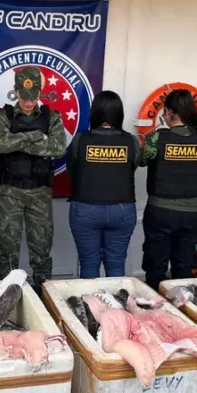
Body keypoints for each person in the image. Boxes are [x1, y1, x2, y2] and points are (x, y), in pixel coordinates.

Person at [0, 67, 66, 292]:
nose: (29, 102)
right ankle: (6, 296)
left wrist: (18, 141)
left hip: (39, 193)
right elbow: (2, 144)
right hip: (10, 192)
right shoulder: (4, 115)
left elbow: (58, 147)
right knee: (8, 250)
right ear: (16, 91)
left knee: (42, 250)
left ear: (39, 92)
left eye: (33, 97)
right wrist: (35, 136)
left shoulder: (51, 117)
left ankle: (43, 296)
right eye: (24, 97)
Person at [138, 89, 197, 289]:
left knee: (156, 266)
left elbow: (142, 160)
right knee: (184, 267)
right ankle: (183, 305)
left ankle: (156, 304)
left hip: (161, 211)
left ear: (168, 112)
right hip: (192, 214)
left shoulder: (157, 138)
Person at [66, 91, 138, 278]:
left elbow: (72, 170)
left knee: (89, 264)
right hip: (122, 209)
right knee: (116, 264)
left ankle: (92, 299)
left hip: (86, 207)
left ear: (95, 112)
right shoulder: (131, 141)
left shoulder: (80, 140)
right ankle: (117, 297)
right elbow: (133, 166)